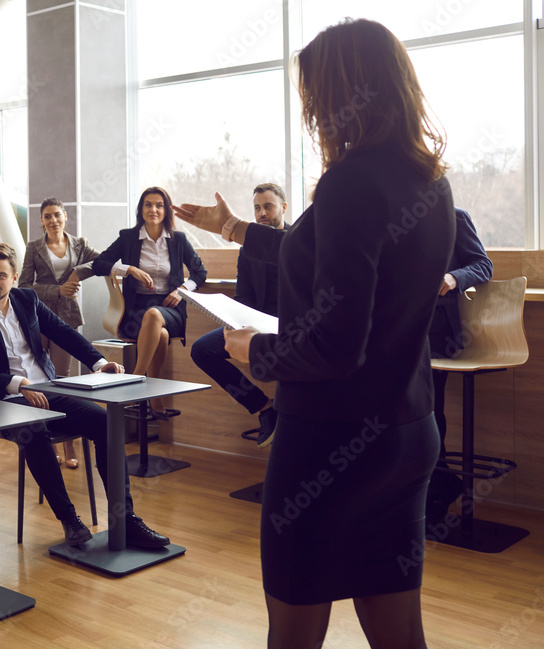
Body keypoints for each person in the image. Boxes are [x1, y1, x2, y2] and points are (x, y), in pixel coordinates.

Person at [174, 19, 454, 649]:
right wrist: (238, 228)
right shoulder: (429, 181)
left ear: (344, 93)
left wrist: (256, 350)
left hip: (331, 442)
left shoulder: (349, 182)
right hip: (405, 434)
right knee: (399, 631)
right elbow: (334, 254)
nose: (311, 112)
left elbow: (334, 343)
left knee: (294, 629)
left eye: (312, 96)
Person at [0, 243, 170, 549]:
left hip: (47, 390)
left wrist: (98, 362)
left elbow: (63, 332)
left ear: (14, 278)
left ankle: (127, 519)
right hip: (2, 401)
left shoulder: (27, 299)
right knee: (34, 430)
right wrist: (18, 384)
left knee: (107, 423)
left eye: (0, 276)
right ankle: (69, 519)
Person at [92, 187, 207, 418]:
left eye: (159, 205)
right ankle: (154, 396)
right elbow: (98, 264)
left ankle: (134, 379)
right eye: (148, 204)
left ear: (166, 211)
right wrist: (129, 269)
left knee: (154, 315)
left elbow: (200, 273)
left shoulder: (178, 240)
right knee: (160, 335)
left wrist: (182, 291)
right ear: (141, 209)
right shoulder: (128, 238)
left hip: (170, 308)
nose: (153, 209)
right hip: (134, 310)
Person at [190, 183, 288, 447]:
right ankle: (263, 407)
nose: (262, 213)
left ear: (284, 208)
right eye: (257, 208)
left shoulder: (296, 242)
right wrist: (233, 324)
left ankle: (292, 420)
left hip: (292, 324)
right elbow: (243, 296)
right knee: (201, 350)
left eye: (268, 206)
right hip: (255, 322)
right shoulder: (248, 249)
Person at [18, 197, 103, 468]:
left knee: (64, 380)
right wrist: (57, 290)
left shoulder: (79, 244)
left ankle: (69, 444)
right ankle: (46, 440)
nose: (53, 220)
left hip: (67, 317)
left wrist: (76, 275)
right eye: (47, 216)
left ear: (65, 216)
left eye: (57, 215)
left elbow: (103, 262)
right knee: (40, 379)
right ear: (41, 221)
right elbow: (23, 286)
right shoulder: (33, 248)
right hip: (38, 318)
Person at [426, 208, 493, 521]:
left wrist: (453, 278)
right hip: (399, 325)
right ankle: (439, 484)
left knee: (424, 404)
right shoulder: (389, 220)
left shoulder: (454, 217)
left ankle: (435, 487)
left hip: (438, 331)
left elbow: (483, 264)